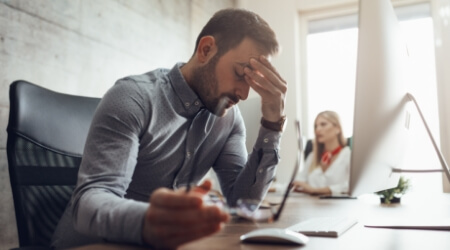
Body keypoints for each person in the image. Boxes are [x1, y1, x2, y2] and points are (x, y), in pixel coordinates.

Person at [51, 8, 287, 249]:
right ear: (206, 50)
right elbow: (88, 202)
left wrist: (272, 124)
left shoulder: (228, 119)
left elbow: (242, 203)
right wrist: (149, 222)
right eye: (240, 74)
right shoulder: (133, 98)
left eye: (252, 82)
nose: (244, 94)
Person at [293, 111, 350, 196]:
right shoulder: (312, 156)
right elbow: (298, 182)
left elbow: (350, 186)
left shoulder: (348, 155)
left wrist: (316, 190)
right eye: (316, 126)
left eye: (323, 124)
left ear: (337, 128)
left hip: (339, 207)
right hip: (312, 206)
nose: (318, 130)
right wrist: (271, 188)